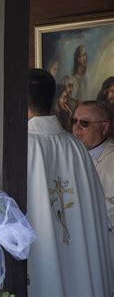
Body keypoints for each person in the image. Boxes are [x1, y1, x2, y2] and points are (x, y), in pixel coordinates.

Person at [26, 69, 113, 296]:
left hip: (40, 253)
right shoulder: (74, 147)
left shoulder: (23, 146)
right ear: (53, 100)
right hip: (79, 253)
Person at [71, 100, 114, 272]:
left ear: (104, 127)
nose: (76, 128)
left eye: (85, 123)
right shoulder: (67, 154)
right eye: (74, 121)